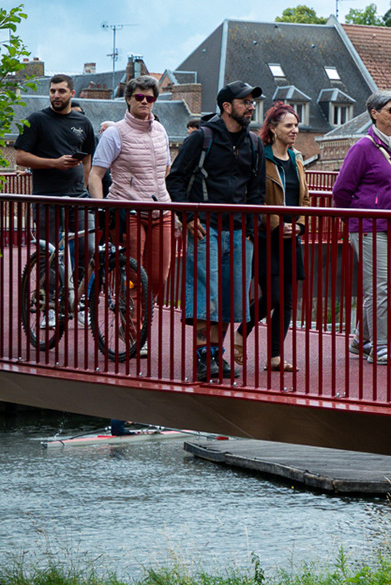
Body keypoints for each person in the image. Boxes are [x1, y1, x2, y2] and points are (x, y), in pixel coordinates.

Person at [165, 81, 266, 382]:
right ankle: (203, 359)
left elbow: (256, 191)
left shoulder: (254, 143)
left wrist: (250, 230)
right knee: (204, 297)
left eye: (251, 101)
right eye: (244, 101)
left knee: (231, 300)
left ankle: (215, 355)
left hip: (239, 232)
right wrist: (187, 217)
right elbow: (176, 181)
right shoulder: (202, 138)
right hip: (205, 229)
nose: (250, 106)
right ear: (226, 106)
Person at [87, 74, 172, 357]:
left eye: (151, 98)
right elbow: (96, 175)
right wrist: (103, 208)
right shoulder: (115, 133)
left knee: (158, 277)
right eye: (140, 97)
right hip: (128, 210)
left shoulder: (160, 130)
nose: (145, 102)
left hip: (161, 209)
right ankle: (134, 333)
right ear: (128, 99)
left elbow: (165, 171)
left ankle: (133, 319)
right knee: (134, 274)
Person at [334, 90, 391, 365]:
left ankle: (361, 339)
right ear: (374, 113)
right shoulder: (363, 148)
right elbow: (341, 190)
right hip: (369, 225)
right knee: (379, 288)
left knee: (388, 285)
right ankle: (379, 347)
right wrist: (354, 220)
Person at [11, 73, 99, 292]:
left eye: (61, 91)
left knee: (87, 249)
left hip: (78, 197)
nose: (56, 95)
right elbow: (20, 157)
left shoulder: (83, 122)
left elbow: (87, 157)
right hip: (47, 197)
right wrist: (54, 163)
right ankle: (48, 303)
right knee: (48, 253)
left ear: (72, 93)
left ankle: (74, 299)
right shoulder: (37, 120)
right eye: (52, 91)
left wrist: (84, 186)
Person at [243, 101, 309, 373]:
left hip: (292, 237)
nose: (294, 130)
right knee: (274, 297)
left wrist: (301, 226)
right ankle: (242, 330)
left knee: (288, 301)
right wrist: (273, 224)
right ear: (273, 128)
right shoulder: (262, 158)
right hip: (266, 237)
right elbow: (255, 198)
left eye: (296, 125)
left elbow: (304, 197)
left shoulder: (298, 158)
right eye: (289, 125)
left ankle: (275, 356)